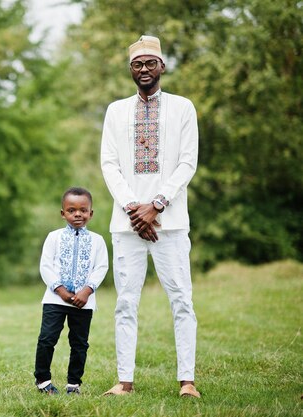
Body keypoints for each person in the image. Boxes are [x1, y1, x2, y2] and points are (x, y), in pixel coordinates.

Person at [100, 35, 201, 398]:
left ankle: (187, 381)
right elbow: (109, 164)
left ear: (162, 66)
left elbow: (187, 162)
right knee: (126, 301)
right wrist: (133, 208)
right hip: (127, 225)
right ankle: (124, 381)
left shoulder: (182, 108)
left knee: (182, 300)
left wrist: (156, 205)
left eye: (150, 63)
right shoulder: (116, 110)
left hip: (170, 223)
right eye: (137, 64)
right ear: (131, 70)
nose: (144, 70)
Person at [34, 186, 109, 395]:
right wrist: (60, 290)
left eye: (83, 210)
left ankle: (74, 384)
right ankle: (43, 381)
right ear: (63, 213)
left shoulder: (97, 241)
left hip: (83, 302)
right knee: (47, 339)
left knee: (79, 343)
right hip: (55, 299)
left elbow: (101, 267)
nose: (78, 214)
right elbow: (45, 266)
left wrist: (87, 290)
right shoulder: (54, 237)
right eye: (72, 210)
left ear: (90, 213)